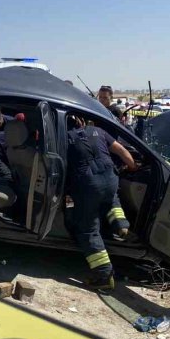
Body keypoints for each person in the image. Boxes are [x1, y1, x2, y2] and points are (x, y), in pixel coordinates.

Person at [65, 117, 137, 291]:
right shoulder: (99, 131)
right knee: (111, 198)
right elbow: (121, 151)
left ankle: (103, 275)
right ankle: (121, 226)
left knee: (88, 229)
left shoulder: (66, 138)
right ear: (81, 122)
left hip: (89, 185)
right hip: (111, 177)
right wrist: (133, 167)